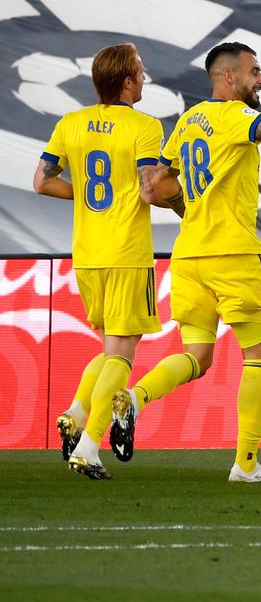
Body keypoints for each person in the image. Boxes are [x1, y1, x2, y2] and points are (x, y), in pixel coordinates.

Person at [110, 41, 261, 483]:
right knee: (260, 356)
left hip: (189, 255)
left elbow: (153, 188)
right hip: (233, 254)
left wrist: (189, 210)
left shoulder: (187, 123)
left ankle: (135, 398)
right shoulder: (234, 117)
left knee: (197, 354)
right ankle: (246, 465)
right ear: (229, 77)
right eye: (255, 71)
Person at [36, 43, 181, 479]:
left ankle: (77, 412)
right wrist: (184, 205)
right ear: (126, 80)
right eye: (140, 71)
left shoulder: (71, 123)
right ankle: (89, 446)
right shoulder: (144, 126)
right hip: (125, 253)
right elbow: (149, 190)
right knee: (122, 355)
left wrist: (86, 192)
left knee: (110, 349)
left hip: (87, 254)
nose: (145, 77)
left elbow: (43, 181)